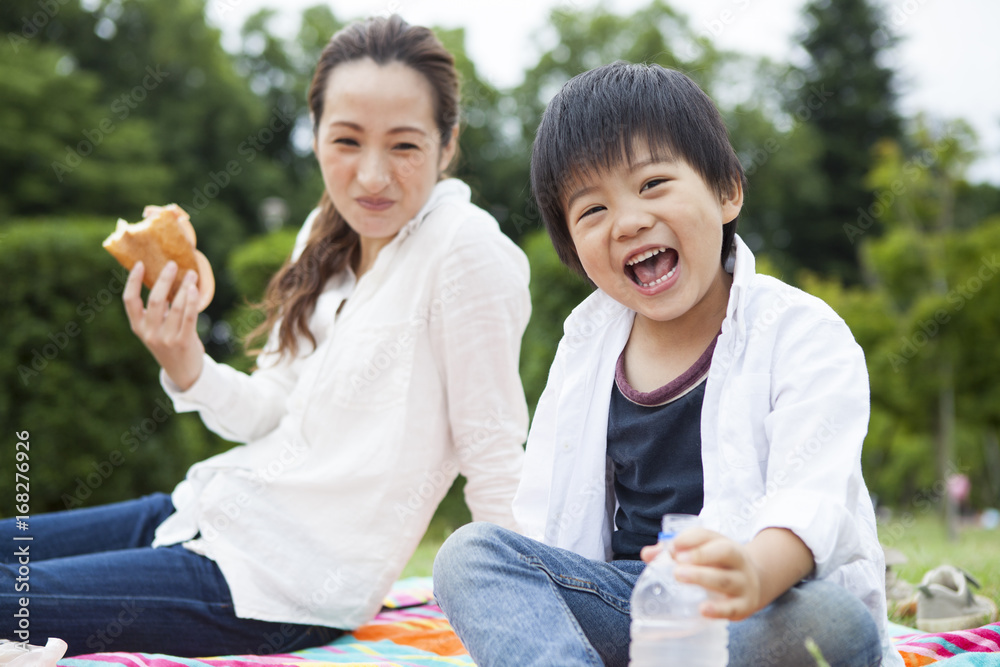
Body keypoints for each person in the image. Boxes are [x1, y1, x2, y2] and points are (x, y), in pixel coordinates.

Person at [0, 15, 530, 658]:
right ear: (315, 136)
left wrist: (520, 625)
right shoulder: (325, 234)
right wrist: (183, 355)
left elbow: (495, 455)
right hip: (203, 510)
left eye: (404, 145)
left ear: (447, 144)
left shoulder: (467, 252)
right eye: (346, 141)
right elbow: (267, 411)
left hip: (278, 586)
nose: (370, 176)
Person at [433, 62, 903, 667]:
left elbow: (814, 496)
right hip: (635, 609)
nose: (628, 221)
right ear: (573, 247)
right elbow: (545, 522)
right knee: (470, 556)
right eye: (591, 210)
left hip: (756, 601)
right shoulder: (583, 346)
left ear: (726, 191)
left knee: (831, 625)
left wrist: (752, 575)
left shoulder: (799, 333)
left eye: (652, 184)